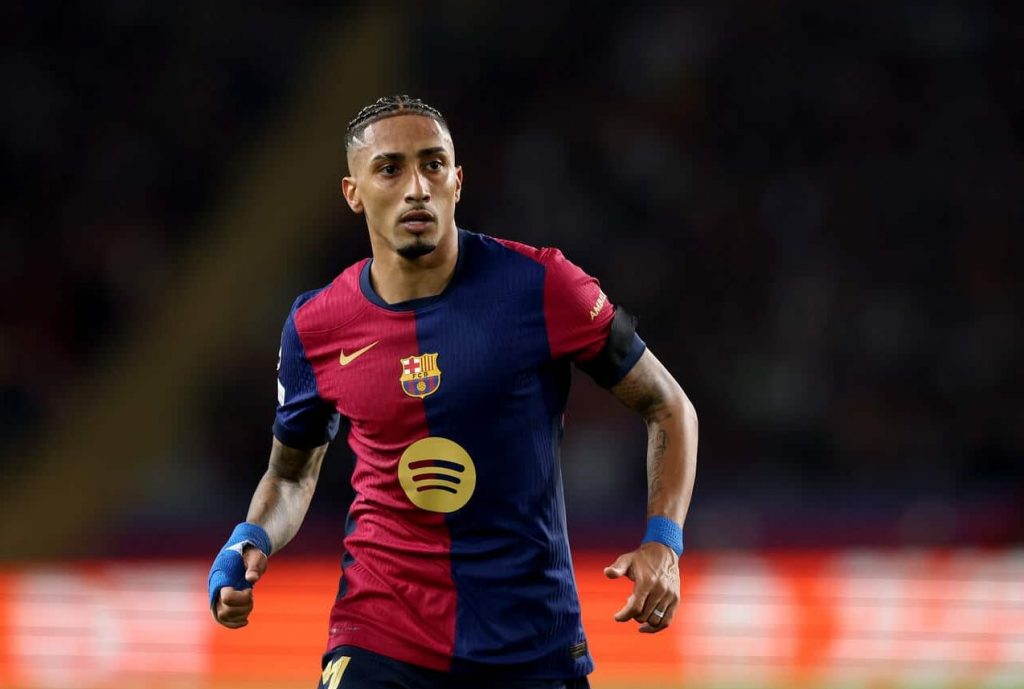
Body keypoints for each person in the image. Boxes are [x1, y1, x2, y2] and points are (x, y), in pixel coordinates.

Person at [208, 95, 698, 689]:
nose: (416, 187)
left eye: (433, 164)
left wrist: (664, 543)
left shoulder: (543, 286)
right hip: (380, 636)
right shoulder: (317, 326)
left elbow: (667, 405)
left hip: (530, 645)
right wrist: (249, 537)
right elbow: (290, 475)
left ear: (457, 181)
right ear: (353, 193)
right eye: (390, 169)